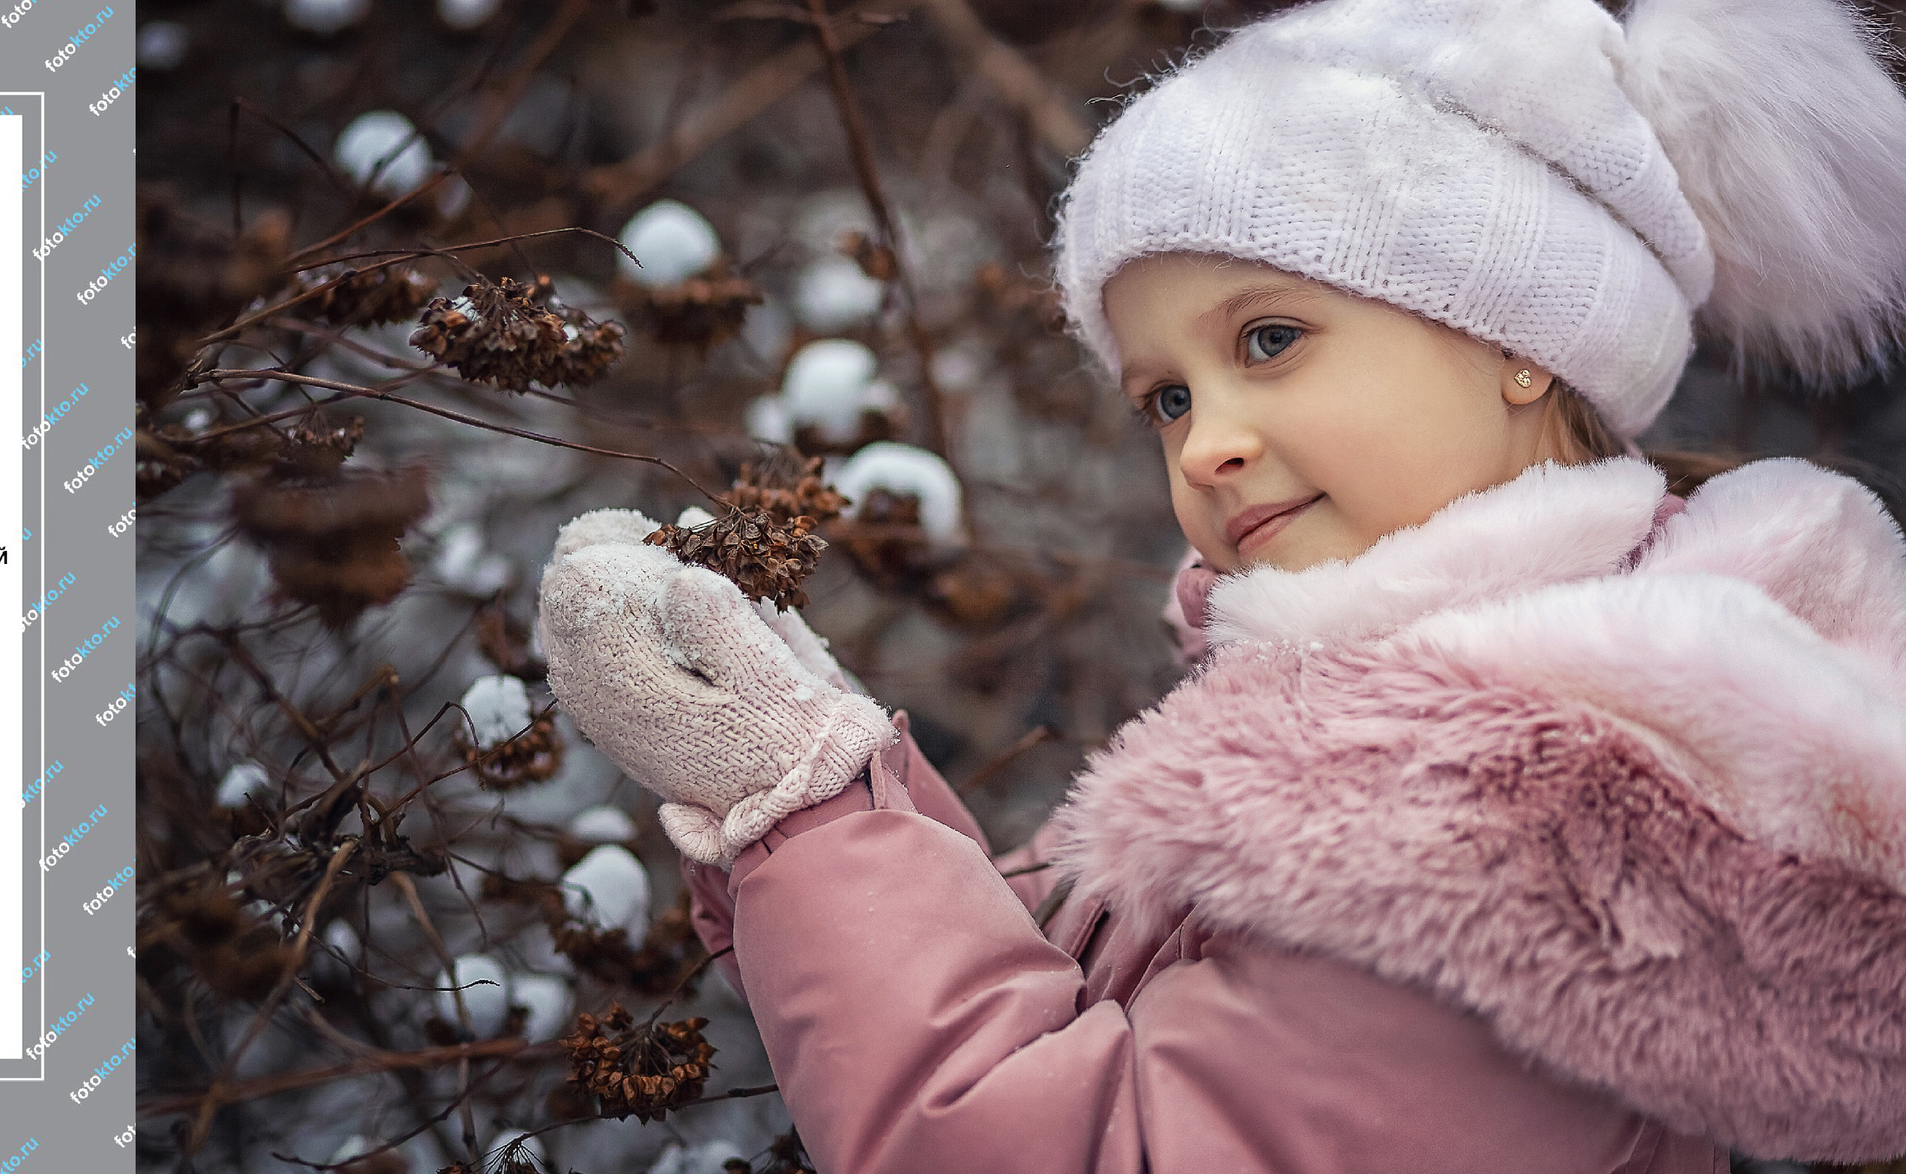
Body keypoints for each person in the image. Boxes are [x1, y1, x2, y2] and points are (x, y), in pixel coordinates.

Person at [535, 0, 1906, 1168]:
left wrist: (806, 813)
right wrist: (822, 787)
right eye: (1166, 396)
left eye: (1270, 336)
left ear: (1517, 336)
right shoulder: (1506, 719)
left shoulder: (1498, 825)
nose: (1208, 439)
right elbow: (1109, 1013)